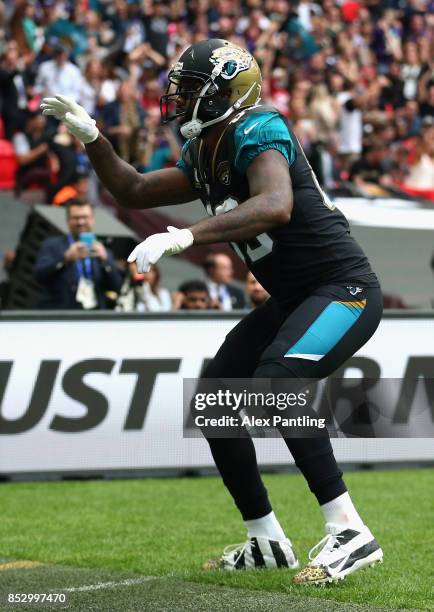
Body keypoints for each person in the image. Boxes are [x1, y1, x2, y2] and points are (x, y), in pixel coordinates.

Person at [41, 38, 384, 584]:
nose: (178, 100)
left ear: (227, 92)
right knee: (216, 400)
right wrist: (93, 137)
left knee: (275, 385)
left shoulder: (259, 128)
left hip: (343, 289)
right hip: (297, 297)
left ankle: (350, 531)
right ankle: (265, 537)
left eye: (192, 90)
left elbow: (275, 205)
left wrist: (184, 238)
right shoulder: (205, 150)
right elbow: (132, 189)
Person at [34, 196, 122, 309]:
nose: (81, 222)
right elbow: (39, 276)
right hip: (61, 316)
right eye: (76, 218)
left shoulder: (103, 250)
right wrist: (65, 259)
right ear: (68, 220)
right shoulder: (52, 245)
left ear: (92, 220)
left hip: (94, 317)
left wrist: (105, 261)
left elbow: (117, 286)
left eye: (85, 217)